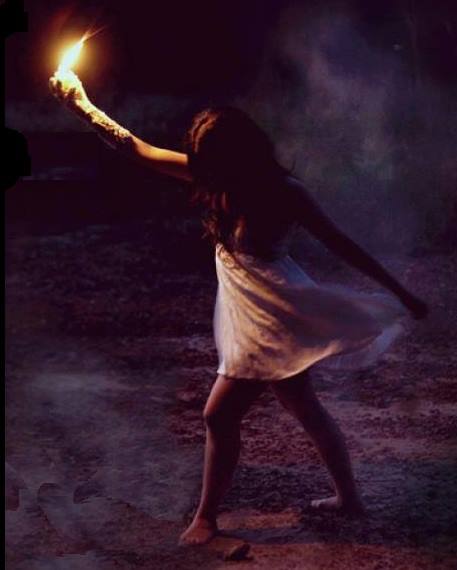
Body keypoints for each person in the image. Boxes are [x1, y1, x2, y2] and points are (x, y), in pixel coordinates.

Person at [49, 72, 428, 546]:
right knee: (303, 406)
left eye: (212, 163)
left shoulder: (284, 191)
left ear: (237, 156)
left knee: (219, 415)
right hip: (251, 312)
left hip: (275, 314)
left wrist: (401, 292)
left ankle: (207, 518)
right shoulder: (216, 176)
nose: (203, 173)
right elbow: (138, 151)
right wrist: (82, 106)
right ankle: (348, 498)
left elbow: (342, 244)